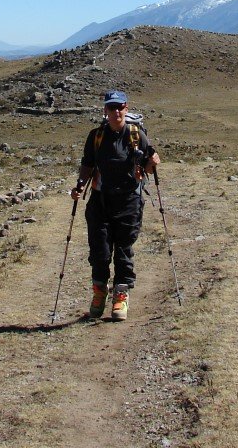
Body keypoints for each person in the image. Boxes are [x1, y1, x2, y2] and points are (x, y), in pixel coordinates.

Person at [72, 89, 159, 321]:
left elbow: (149, 167)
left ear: (126, 108)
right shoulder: (96, 136)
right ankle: (99, 293)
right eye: (112, 108)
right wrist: (80, 186)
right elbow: (87, 164)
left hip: (129, 200)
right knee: (99, 250)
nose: (116, 111)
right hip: (100, 200)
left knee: (123, 249)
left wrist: (153, 162)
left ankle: (121, 296)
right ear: (105, 111)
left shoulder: (136, 134)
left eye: (120, 107)